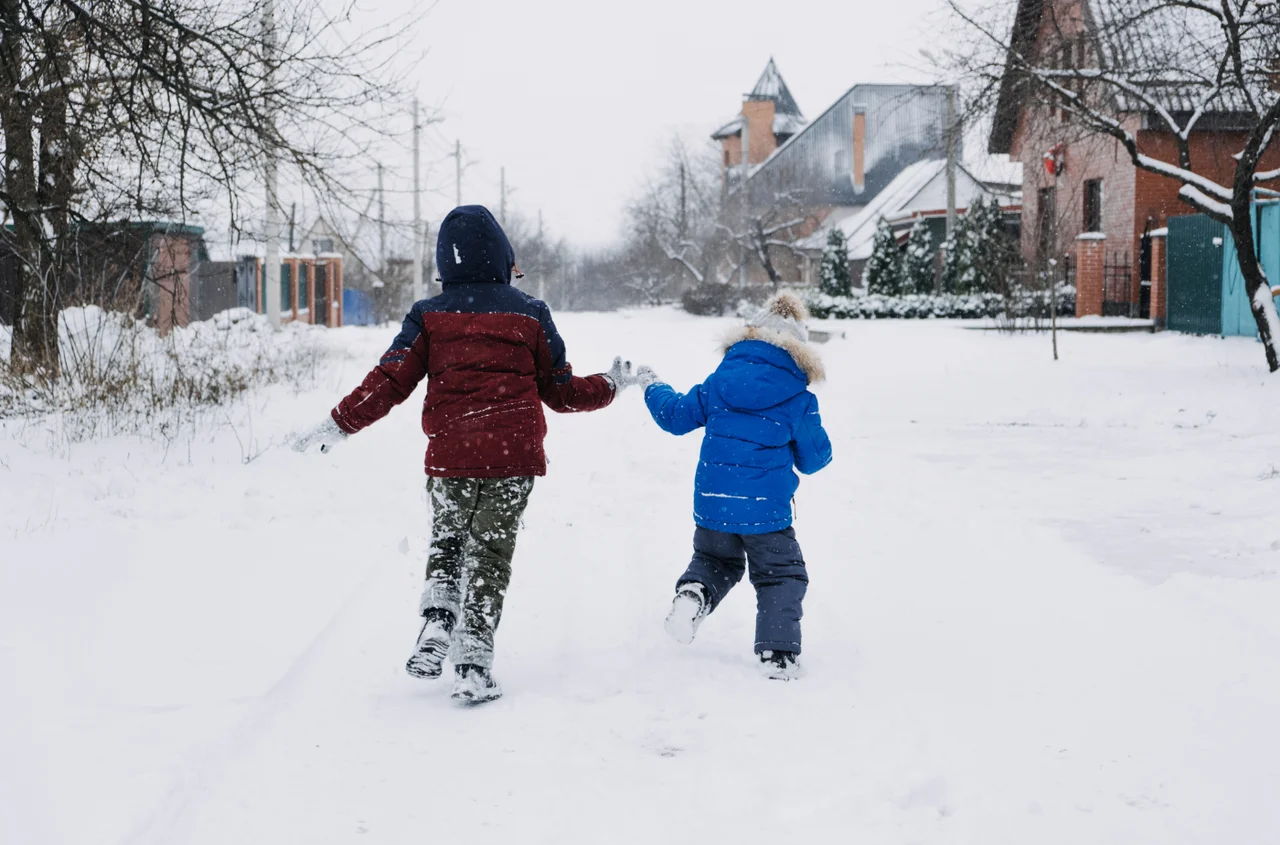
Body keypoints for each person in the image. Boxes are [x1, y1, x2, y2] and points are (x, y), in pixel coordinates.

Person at [294, 205, 645, 703]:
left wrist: (340, 422)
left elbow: (390, 381)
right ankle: (474, 661)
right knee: (491, 555)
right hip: (512, 459)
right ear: (503, 256)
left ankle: (437, 623)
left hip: (451, 456)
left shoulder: (429, 316)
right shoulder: (530, 313)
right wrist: (613, 384)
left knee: (449, 542)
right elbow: (562, 393)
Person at [639, 291, 832, 680]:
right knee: (781, 574)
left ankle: (693, 595)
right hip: (765, 511)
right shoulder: (798, 397)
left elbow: (675, 416)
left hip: (714, 503)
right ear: (798, 351)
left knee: (715, 560)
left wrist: (650, 385)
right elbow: (814, 460)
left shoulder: (719, 383)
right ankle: (778, 654)